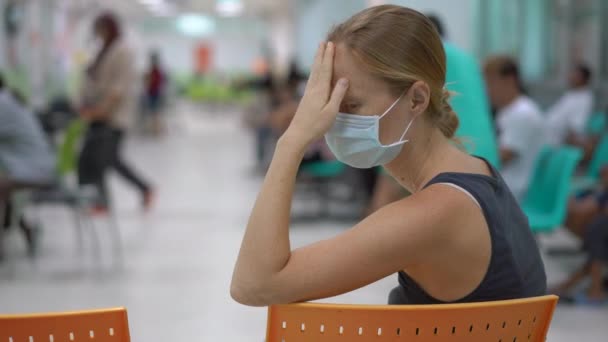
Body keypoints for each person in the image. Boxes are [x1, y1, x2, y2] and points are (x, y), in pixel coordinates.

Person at [231, 5, 546, 306]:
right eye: (328, 103)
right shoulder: (479, 174)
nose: (330, 120)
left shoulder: (433, 215)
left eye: (351, 105)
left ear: (417, 99)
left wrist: (292, 141)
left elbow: (254, 284)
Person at [78, 12, 153, 212]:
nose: (99, 34)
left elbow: (118, 89)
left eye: (101, 30)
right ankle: (138, 190)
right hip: (100, 114)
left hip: (114, 117)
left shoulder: (122, 51)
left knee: (103, 159)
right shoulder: (104, 50)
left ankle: (106, 200)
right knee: (104, 159)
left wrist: (101, 111)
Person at [0, 75, 55, 256]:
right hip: (36, 166)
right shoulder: (9, 99)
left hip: (32, 170)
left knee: (2, 187)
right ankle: (27, 231)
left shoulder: (3, 104)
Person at [483, 56, 543, 201]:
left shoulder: (523, 113)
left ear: (509, 80)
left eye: (490, 83)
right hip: (504, 186)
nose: (486, 90)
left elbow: (500, 157)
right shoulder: (507, 111)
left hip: (515, 191)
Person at [545, 64, 594, 147]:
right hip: (547, 131)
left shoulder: (585, 99)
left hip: (556, 139)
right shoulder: (571, 94)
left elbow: (576, 127)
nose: (571, 77)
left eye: (576, 75)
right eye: (571, 73)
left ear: (585, 79)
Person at [143, 51, 166, 135]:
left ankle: (156, 130)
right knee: (154, 112)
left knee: (155, 112)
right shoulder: (154, 71)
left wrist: (148, 80)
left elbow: (153, 82)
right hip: (153, 93)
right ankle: (155, 130)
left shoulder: (157, 71)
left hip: (155, 94)